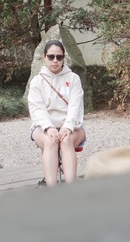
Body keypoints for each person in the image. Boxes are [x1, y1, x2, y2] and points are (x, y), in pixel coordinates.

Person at [27, 40, 86, 185]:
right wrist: (49, 127)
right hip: (43, 127)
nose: (55, 60)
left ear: (63, 58)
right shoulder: (37, 82)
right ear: (44, 57)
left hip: (72, 127)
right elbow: (37, 109)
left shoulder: (73, 79)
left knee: (66, 141)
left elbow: (75, 106)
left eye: (59, 57)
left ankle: (71, 189)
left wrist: (67, 127)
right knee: (50, 141)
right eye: (51, 56)